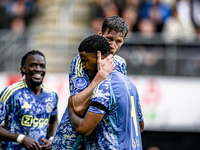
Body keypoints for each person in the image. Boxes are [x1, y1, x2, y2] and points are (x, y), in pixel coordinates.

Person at [51, 15, 144, 149]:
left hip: (97, 139)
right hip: (71, 139)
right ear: (100, 33)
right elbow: (78, 106)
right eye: (109, 39)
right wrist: (100, 76)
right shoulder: (82, 61)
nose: (113, 45)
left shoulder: (121, 64)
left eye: (118, 41)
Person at [68, 34, 143, 149]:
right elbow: (140, 126)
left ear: (100, 57)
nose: (83, 66)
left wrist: (71, 110)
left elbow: (84, 129)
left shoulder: (104, 87)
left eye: (85, 61)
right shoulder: (130, 84)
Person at [0, 50, 59, 150]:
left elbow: (53, 121)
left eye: (42, 66)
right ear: (24, 68)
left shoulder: (52, 94)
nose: (38, 69)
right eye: (33, 65)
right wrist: (20, 138)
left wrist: (52, 139)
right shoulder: (11, 93)